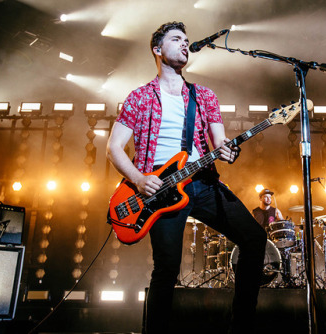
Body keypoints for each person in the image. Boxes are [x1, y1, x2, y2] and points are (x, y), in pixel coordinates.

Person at [106, 21, 267, 334]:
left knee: (255, 239)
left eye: (186, 40)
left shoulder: (204, 96)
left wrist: (227, 152)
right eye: (176, 39)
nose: (184, 44)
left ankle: (242, 325)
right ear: (157, 49)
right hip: (159, 190)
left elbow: (219, 142)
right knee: (166, 269)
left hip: (202, 181)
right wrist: (139, 180)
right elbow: (113, 149)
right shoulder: (139, 97)